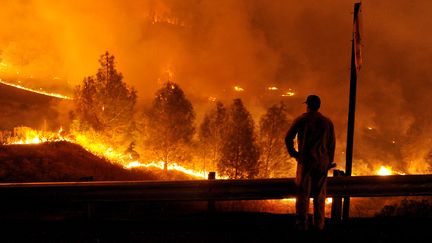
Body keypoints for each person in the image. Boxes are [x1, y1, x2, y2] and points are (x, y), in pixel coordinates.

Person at [285, 95, 336, 231]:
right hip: (322, 163)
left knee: (303, 194)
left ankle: (302, 224)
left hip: (306, 162)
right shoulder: (327, 122)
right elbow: (331, 145)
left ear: (307, 105)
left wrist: (295, 154)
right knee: (320, 196)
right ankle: (319, 225)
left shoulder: (302, 120)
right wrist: (328, 161)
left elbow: (288, 138)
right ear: (319, 106)